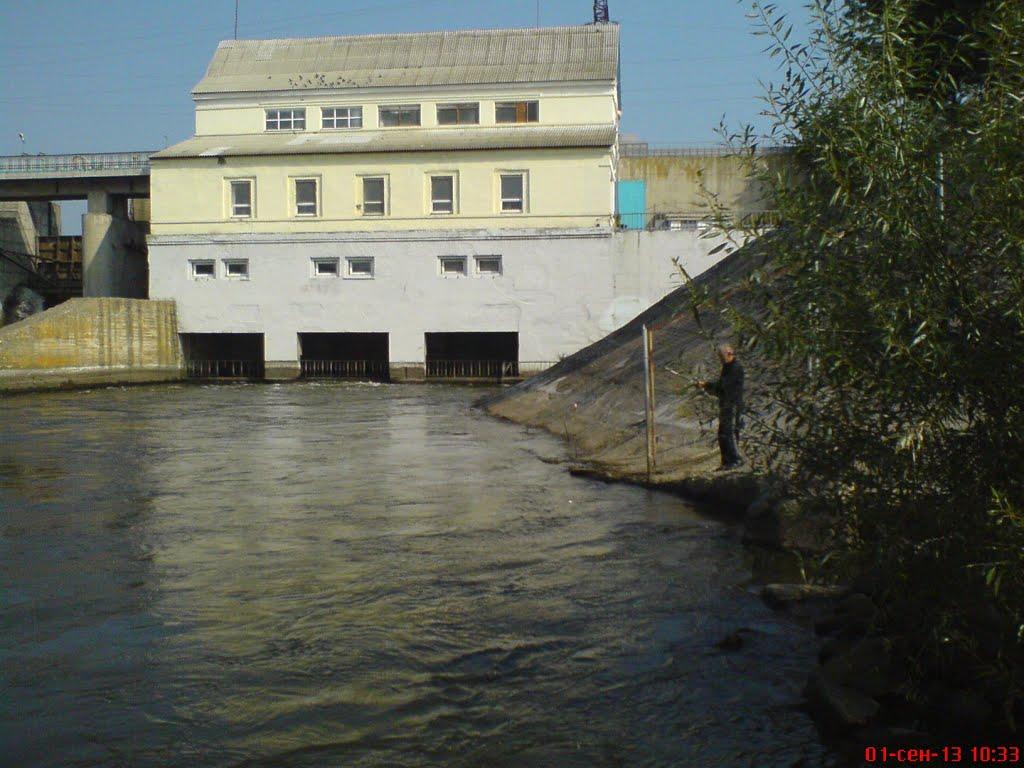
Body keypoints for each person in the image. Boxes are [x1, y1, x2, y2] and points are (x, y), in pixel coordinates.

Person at [697, 344, 745, 470]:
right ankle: (726, 461)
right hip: (725, 404)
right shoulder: (727, 367)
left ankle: (735, 460)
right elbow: (719, 388)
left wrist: (707, 385)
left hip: (733, 404)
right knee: (722, 433)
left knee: (729, 432)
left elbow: (723, 386)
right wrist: (707, 387)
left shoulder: (736, 368)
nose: (721, 359)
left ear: (730, 354)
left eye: (722, 356)